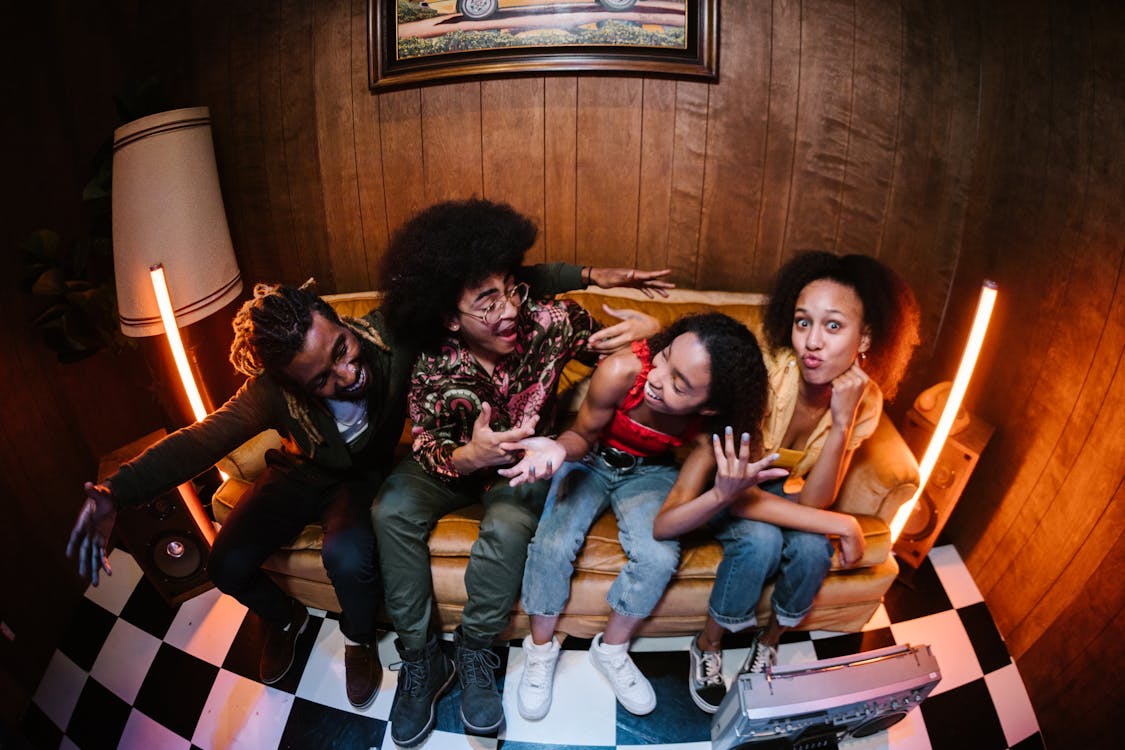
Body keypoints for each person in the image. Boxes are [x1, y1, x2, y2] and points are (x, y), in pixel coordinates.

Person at [65, 263, 669, 710]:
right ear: (293, 383)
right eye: (323, 379)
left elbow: (495, 279)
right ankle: (289, 622)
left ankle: (382, 645)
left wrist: (592, 275)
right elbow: (199, 440)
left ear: (343, 324)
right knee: (226, 564)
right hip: (302, 472)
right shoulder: (271, 394)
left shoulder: (392, 334)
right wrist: (115, 492)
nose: (348, 374)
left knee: (351, 549)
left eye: (344, 351)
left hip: (363, 479)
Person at [371, 198, 665, 747]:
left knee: (507, 528)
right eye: (487, 301)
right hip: (453, 464)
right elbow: (430, 442)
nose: (508, 309)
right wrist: (470, 456)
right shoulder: (432, 360)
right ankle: (422, 660)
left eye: (511, 288)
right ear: (449, 317)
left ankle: (478, 653)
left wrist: (648, 328)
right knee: (390, 509)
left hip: (526, 464)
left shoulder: (550, 322)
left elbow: (628, 355)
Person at [652, 250, 921, 713]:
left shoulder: (866, 402)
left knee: (814, 548)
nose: (812, 342)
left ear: (865, 338)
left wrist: (841, 423)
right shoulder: (771, 371)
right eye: (803, 323)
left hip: (780, 492)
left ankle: (770, 641)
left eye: (833, 326)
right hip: (732, 486)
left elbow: (817, 500)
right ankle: (709, 645)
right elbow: (742, 499)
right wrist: (843, 525)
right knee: (759, 542)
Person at [502, 312, 783, 720]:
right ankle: (540, 651)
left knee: (658, 556)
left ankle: (611, 650)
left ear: (709, 407)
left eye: (678, 383)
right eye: (664, 358)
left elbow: (667, 524)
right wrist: (561, 450)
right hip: (590, 459)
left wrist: (723, 492)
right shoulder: (622, 370)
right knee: (552, 543)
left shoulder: (715, 428)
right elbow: (582, 434)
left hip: (650, 471)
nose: (657, 377)